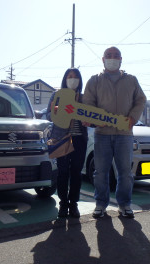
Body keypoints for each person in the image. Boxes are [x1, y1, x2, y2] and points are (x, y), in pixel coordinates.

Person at [82, 46, 146, 219]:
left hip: (124, 134)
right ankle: (100, 204)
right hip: (102, 133)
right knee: (100, 172)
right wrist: (93, 119)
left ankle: (124, 204)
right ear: (103, 59)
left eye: (116, 56)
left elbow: (140, 100)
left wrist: (133, 117)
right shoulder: (94, 80)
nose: (112, 58)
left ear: (121, 59)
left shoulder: (131, 80)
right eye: (109, 56)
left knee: (125, 172)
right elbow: (87, 103)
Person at [46, 68, 88, 218]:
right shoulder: (56, 95)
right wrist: (56, 112)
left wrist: (89, 121)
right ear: (64, 79)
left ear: (80, 80)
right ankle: (63, 204)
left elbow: (92, 119)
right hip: (61, 139)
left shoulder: (84, 98)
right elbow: (48, 115)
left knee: (76, 173)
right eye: (70, 76)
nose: (73, 79)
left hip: (79, 140)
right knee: (63, 172)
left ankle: (73, 204)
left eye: (76, 77)